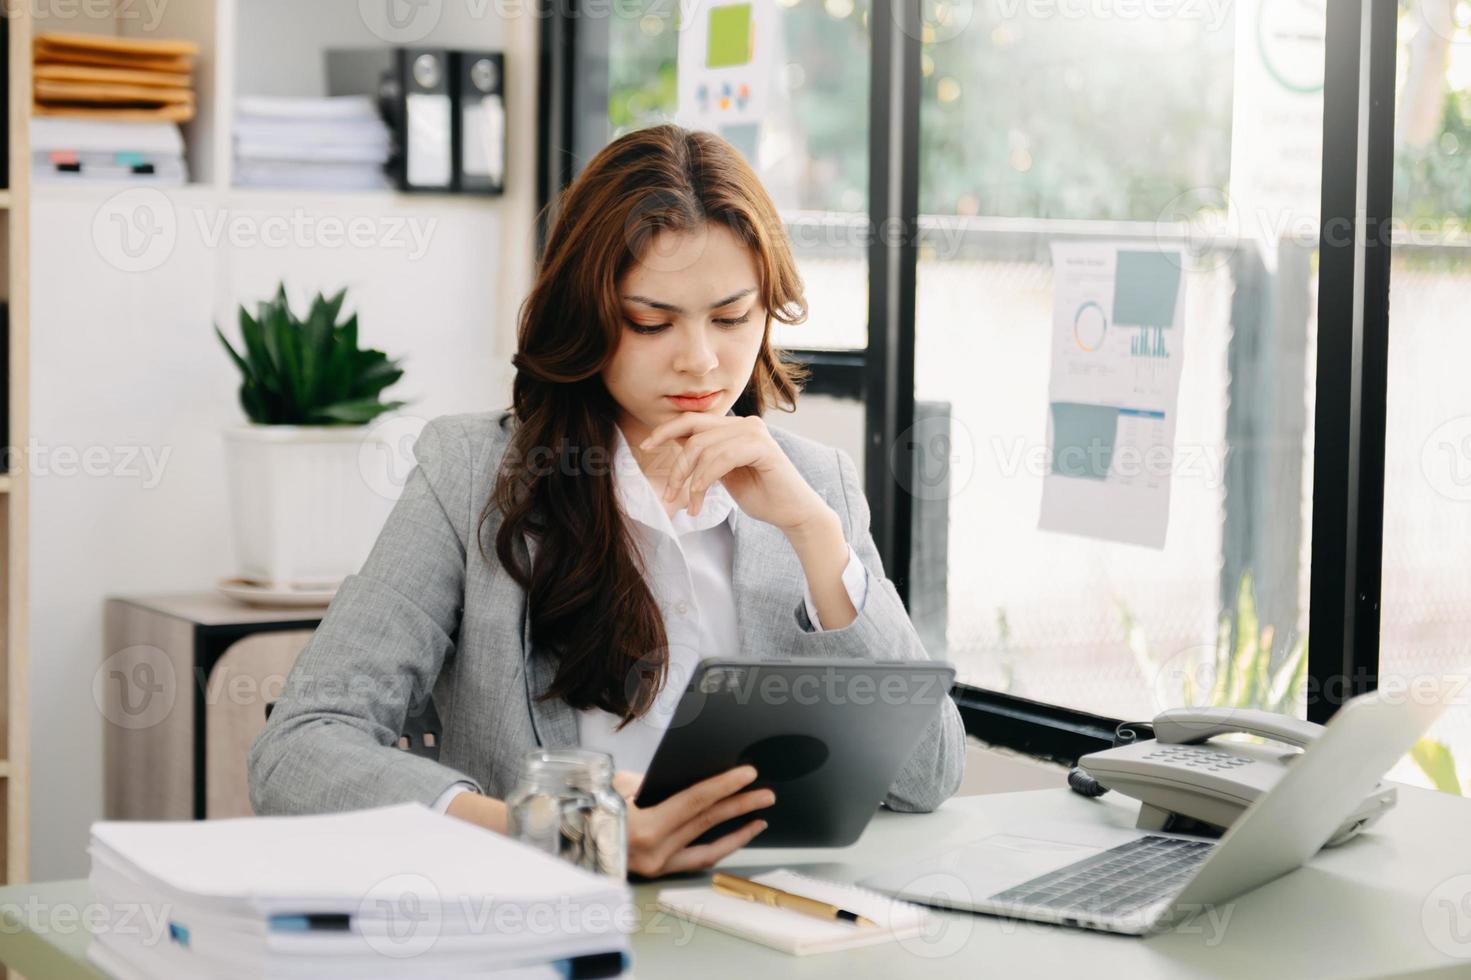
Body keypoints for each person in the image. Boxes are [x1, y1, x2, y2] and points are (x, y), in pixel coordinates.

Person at [249, 123, 965, 878]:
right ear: (586, 316)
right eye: (649, 321)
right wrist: (550, 832)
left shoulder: (814, 486)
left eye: (730, 318)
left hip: (757, 923)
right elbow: (298, 749)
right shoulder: (470, 474)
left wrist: (818, 538)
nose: (700, 360)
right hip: (545, 923)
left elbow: (926, 779)